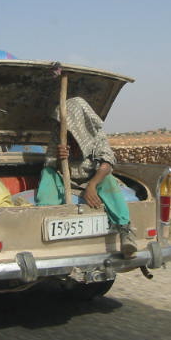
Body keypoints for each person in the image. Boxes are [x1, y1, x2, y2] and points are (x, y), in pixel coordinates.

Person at [36, 97, 137, 258]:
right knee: (47, 175)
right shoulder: (59, 134)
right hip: (65, 180)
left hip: (93, 179)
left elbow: (108, 162)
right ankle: (44, 223)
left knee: (109, 180)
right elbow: (49, 163)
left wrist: (92, 185)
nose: (63, 127)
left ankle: (125, 231)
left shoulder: (95, 134)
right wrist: (58, 157)